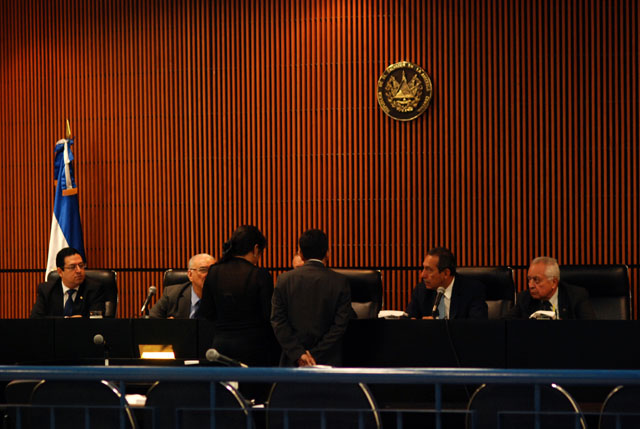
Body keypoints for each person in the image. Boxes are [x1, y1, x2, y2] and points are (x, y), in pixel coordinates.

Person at [198, 225, 279, 367]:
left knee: (222, 389)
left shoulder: (214, 272)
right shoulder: (259, 275)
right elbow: (268, 316)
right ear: (255, 249)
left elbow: (207, 312)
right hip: (253, 350)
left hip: (220, 349)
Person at [271, 229, 352, 367]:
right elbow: (340, 325)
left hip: (292, 361)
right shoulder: (340, 282)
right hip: (328, 360)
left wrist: (299, 354)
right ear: (327, 253)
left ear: (301, 254)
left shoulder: (283, 280)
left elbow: (278, 320)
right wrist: (314, 354)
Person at [406, 247, 488, 319]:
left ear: (446, 273)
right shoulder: (421, 291)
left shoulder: (472, 290)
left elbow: (476, 327)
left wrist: (438, 327)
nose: (422, 275)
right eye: (423, 268)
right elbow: (409, 318)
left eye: (429, 270)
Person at [506, 256, 596, 319]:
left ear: (554, 282)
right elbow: (505, 325)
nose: (531, 285)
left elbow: (590, 328)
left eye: (536, 280)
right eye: (529, 279)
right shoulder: (524, 298)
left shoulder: (576, 296)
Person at [30, 247, 105, 318]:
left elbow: (96, 320)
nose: (79, 270)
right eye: (72, 267)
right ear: (60, 272)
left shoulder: (95, 289)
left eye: (81, 265)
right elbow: (36, 319)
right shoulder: (47, 290)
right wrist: (67, 319)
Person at [150, 253, 216, 319]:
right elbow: (148, 321)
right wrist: (166, 325)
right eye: (203, 270)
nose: (209, 274)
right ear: (190, 275)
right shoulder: (172, 294)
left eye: (213, 270)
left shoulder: (223, 296)